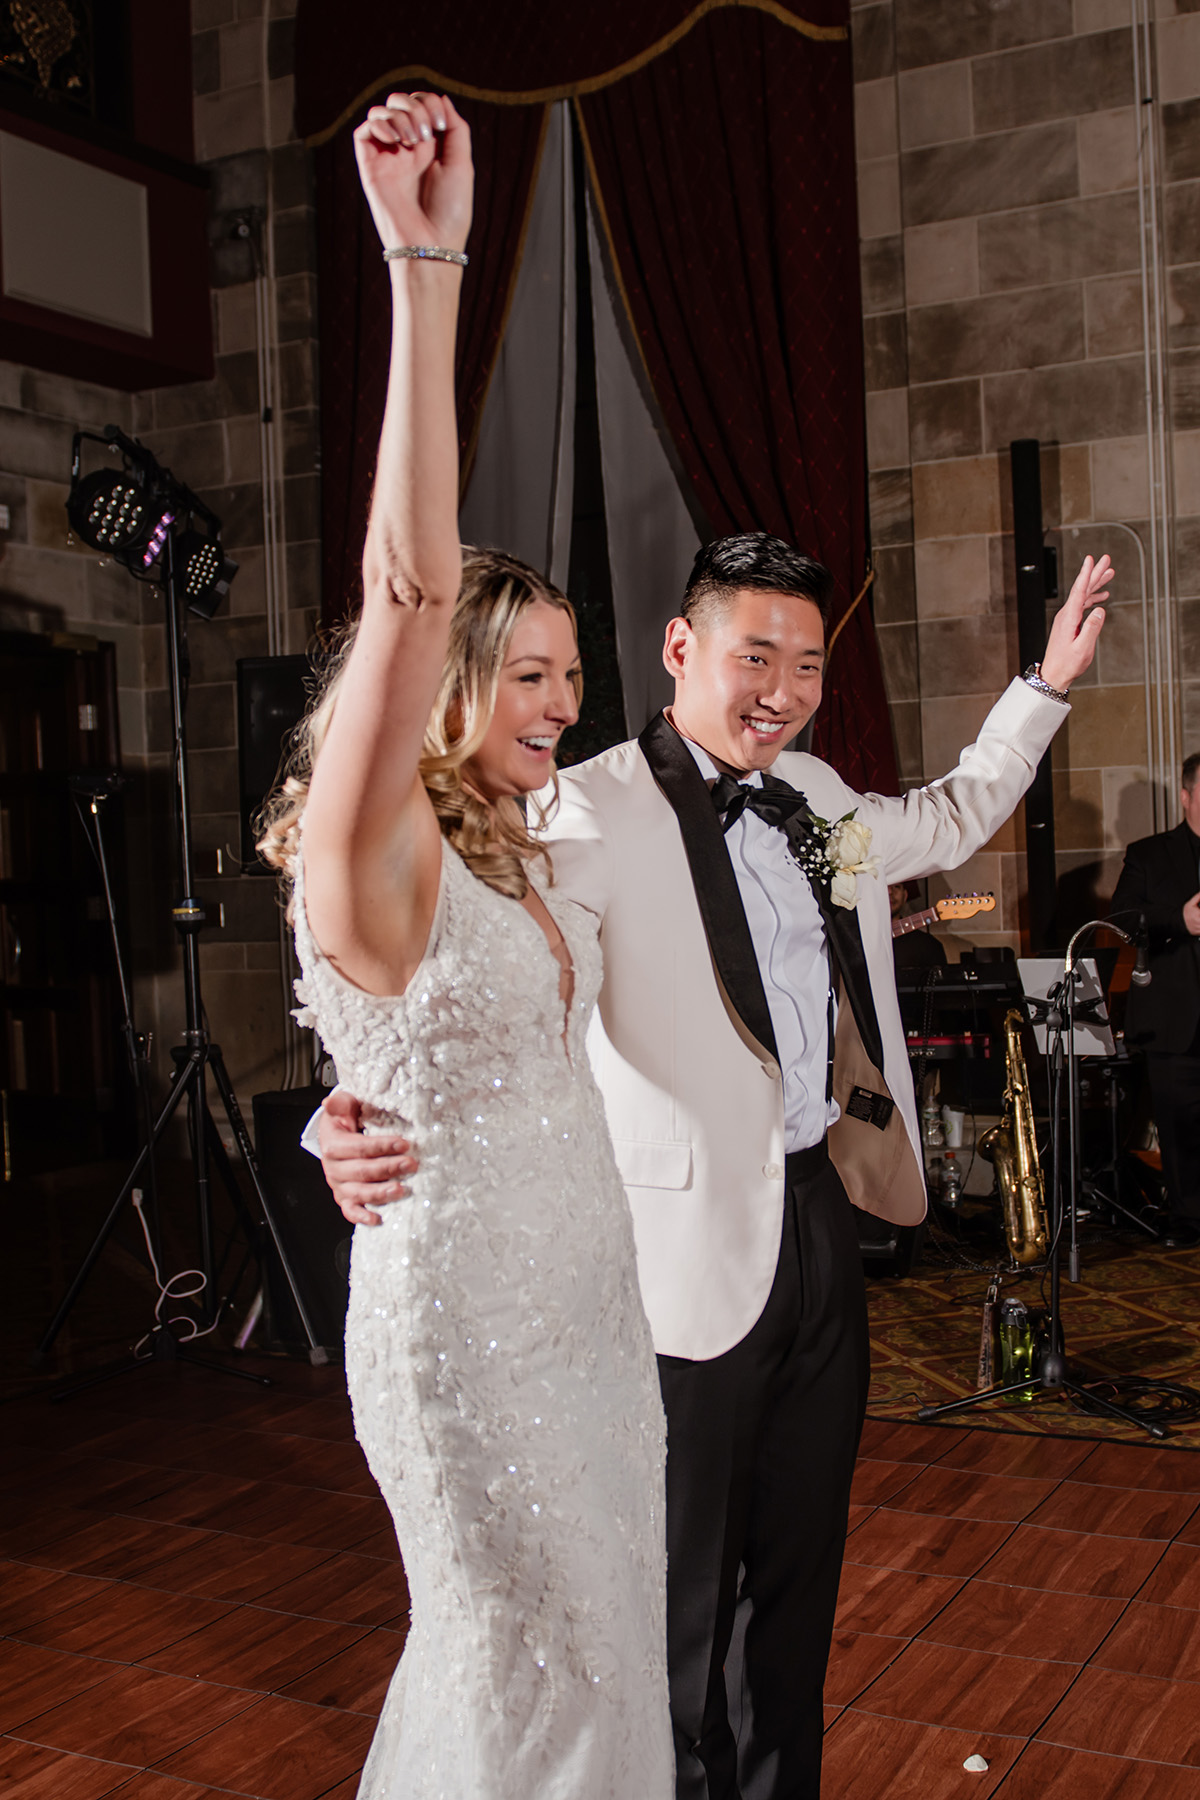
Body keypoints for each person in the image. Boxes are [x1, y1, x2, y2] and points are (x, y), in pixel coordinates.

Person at [321, 532, 1110, 1799]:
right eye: (756, 656)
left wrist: (1045, 685)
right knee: (680, 1614)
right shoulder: (582, 806)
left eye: (805, 665)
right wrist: (342, 1115)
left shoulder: (821, 800)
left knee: (797, 1597)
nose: (782, 689)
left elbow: (954, 813)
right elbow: (453, 973)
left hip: (820, 1223)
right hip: (665, 1267)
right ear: (682, 651)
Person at [262, 92, 672, 1799]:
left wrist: (331, 1104)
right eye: (530, 675)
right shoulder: (373, 847)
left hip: (587, 1312)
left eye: (577, 676)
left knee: (606, 1655)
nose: (564, 708)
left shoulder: (517, 848)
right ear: (435, 683)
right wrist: (426, 267)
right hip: (465, 1344)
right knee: (524, 1666)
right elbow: (410, 583)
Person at [1110, 751, 1200, 1248]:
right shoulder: (1149, 854)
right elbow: (1121, 919)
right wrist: (1176, 919)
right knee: (1179, 1126)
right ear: (1186, 796)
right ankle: (1188, 1219)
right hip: (1176, 1018)